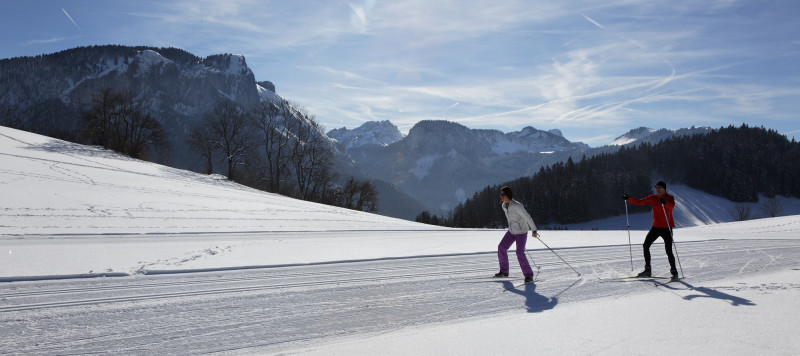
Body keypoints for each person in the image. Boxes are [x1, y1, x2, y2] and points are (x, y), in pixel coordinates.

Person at [623, 181, 678, 279]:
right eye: (656, 188)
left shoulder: (670, 198)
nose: (658, 189)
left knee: (668, 250)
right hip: (656, 227)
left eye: (659, 188)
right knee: (646, 245)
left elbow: (671, 206)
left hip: (667, 228)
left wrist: (664, 203)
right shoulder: (654, 198)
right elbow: (640, 202)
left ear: (664, 188)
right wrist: (629, 198)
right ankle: (647, 270)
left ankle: (674, 272)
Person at [496, 186, 538, 283]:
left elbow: (527, 217)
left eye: (503, 194)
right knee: (501, 247)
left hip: (521, 232)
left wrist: (534, 230)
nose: (501, 196)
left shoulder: (517, 206)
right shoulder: (504, 206)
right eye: (500, 194)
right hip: (511, 231)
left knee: (519, 253)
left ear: (508, 194)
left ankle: (529, 276)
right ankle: (504, 271)